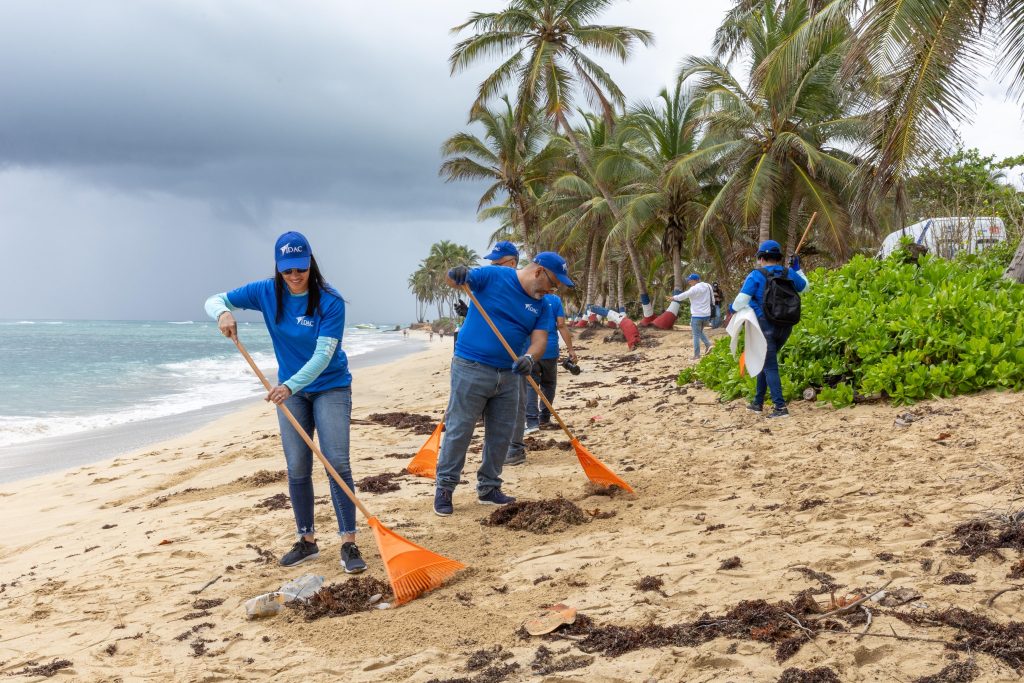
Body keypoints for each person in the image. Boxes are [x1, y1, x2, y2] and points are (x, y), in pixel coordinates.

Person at [204, 231, 367, 573]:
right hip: (292, 391)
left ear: (310, 264)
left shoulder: (330, 301)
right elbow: (214, 298)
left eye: (300, 269)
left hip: (331, 386)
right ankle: (306, 541)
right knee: (296, 466)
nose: (295, 276)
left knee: (336, 461)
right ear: (278, 267)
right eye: (288, 269)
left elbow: (324, 355)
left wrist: (290, 386)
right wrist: (222, 313)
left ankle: (349, 543)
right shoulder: (266, 292)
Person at [433, 252, 573, 516]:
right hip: (471, 367)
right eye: (553, 282)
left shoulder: (543, 304)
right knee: (459, 430)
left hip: (510, 374)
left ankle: (489, 487)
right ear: (538, 272)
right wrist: (456, 273)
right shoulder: (494, 275)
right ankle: (445, 488)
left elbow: (540, 339)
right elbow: (454, 280)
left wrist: (530, 358)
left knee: (501, 434)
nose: (554, 289)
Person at [731, 240, 808, 418]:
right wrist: (797, 269)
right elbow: (805, 287)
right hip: (786, 326)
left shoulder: (756, 275)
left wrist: (731, 310)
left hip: (765, 326)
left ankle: (780, 408)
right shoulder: (788, 273)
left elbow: (740, 301)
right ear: (778, 257)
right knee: (765, 362)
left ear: (762, 258)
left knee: (770, 366)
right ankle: (757, 402)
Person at [526, 294, 576, 437]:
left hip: (530, 350)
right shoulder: (554, 300)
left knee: (531, 386)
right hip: (550, 349)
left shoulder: (525, 297)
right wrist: (571, 349)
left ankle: (532, 422)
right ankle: (545, 418)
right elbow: (561, 324)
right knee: (549, 384)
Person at [668, 273, 715, 360]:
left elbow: (684, 295)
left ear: (695, 280)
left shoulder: (694, 289)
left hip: (697, 315)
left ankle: (696, 355)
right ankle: (708, 345)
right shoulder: (708, 286)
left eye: (690, 280)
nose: (689, 282)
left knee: (696, 335)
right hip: (707, 315)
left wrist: (674, 298)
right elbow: (713, 299)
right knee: (699, 332)